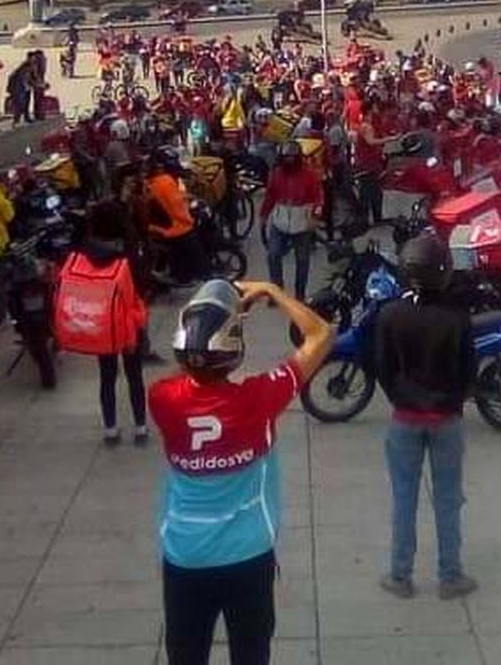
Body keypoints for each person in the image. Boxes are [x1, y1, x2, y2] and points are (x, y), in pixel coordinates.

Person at [149, 278, 333, 665]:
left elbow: (189, 368)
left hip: (184, 558)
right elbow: (320, 334)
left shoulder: (163, 398)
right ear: (233, 351)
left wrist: (206, 319)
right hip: (248, 558)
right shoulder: (257, 400)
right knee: (251, 654)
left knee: (185, 655)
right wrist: (272, 291)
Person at [372, 235, 479, 601]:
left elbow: (383, 369)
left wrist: (401, 397)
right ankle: (450, 575)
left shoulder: (389, 315)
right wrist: (452, 399)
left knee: (404, 498)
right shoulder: (457, 318)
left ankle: (400, 575)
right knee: (448, 499)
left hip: (404, 418)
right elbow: (469, 374)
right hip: (446, 420)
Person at [58, 202, 151, 444]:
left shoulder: (87, 250)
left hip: (102, 321)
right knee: (134, 375)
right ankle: (140, 426)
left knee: (106, 376)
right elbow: (141, 284)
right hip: (128, 321)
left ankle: (110, 427)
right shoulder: (128, 250)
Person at [260, 141, 323, 301]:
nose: (288, 160)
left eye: (291, 157)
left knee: (302, 261)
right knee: (273, 255)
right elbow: (270, 196)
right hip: (280, 224)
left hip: (302, 226)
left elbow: (319, 198)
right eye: (286, 157)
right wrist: (263, 216)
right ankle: (277, 291)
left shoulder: (309, 175)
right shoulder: (277, 174)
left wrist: (315, 217)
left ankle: (300, 294)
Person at [145, 151, 204, 282]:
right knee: (193, 245)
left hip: (159, 226)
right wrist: (189, 218)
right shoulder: (165, 181)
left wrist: (186, 197)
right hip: (173, 227)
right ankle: (190, 274)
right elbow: (176, 206)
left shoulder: (152, 182)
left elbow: (173, 198)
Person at [6, 57, 33, 128]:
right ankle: (16, 121)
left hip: (19, 91)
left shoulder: (20, 72)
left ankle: (17, 121)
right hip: (19, 91)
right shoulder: (22, 73)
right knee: (19, 106)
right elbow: (24, 82)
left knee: (20, 106)